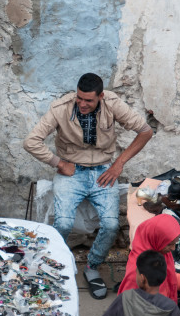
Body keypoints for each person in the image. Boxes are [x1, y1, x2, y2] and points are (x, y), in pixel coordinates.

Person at [23, 73, 153, 298]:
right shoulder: (61, 107)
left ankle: (92, 267)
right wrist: (58, 163)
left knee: (111, 225)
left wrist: (118, 164)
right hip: (71, 171)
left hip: (104, 171)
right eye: (79, 98)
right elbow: (31, 141)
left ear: (101, 96)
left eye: (89, 100)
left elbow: (145, 131)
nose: (82, 104)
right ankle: (53, 265)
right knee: (62, 223)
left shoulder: (112, 104)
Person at [117, 214, 180, 303]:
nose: (173, 248)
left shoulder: (160, 253)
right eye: (169, 244)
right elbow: (134, 313)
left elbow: (171, 281)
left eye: (175, 243)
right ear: (156, 239)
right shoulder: (138, 271)